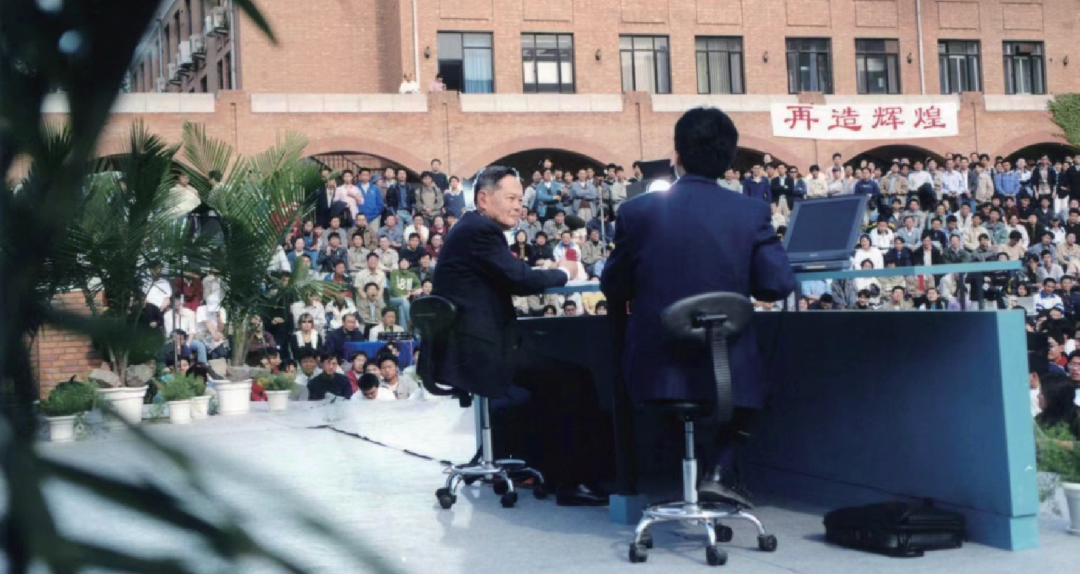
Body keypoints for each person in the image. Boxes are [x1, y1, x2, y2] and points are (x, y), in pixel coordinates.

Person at [601, 107, 797, 509]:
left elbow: (613, 285)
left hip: (655, 366)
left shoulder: (636, 212)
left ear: (677, 154)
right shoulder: (751, 211)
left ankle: (701, 472)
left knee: (677, 393)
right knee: (767, 365)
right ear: (729, 160)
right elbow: (777, 285)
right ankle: (720, 469)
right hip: (728, 369)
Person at [430, 165, 612, 506]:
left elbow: (511, 275)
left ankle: (553, 470)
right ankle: (573, 482)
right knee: (575, 380)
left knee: (554, 382)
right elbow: (522, 280)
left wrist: (539, 271)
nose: (519, 206)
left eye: (520, 199)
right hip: (483, 351)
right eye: (511, 198)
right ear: (484, 199)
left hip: (469, 347)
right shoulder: (482, 231)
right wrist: (564, 271)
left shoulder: (470, 228)